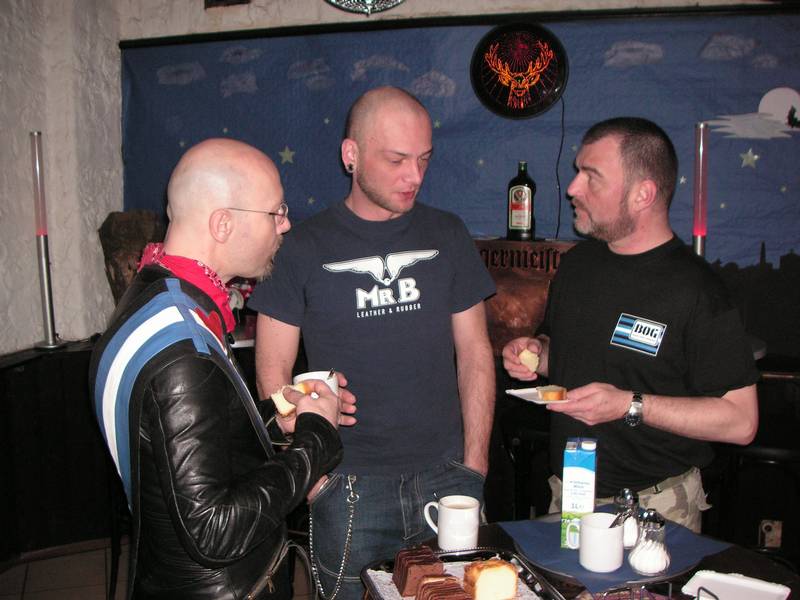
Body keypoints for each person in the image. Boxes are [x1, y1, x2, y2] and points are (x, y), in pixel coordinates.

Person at [248, 86, 496, 599]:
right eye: (397, 160)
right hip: (347, 484)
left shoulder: (447, 233)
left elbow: (475, 353)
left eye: (424, 159)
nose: (415, 176)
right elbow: (272, 374)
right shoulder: (301, 247)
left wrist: (476, 463)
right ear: (352, 155)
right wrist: (311, 475)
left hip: (448, 476)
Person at [89, 138, 356, 600]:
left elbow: (189, 447)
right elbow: (214, 530)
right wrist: (316, 438)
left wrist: (275, 414)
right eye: (276, 212)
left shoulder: (155, 295)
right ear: (223, 224)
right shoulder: (182, 351)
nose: (286, 224)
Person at [503, 117, 759, 532]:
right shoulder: (577, 265)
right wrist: (536, 354)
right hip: (570, 496)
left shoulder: (697, 289)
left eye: (592, 176)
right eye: (577, 172)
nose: (572, 188)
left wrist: (629, 405)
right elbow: (563, 356)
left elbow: (741, 422)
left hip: (656, 509)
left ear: (643, 194)